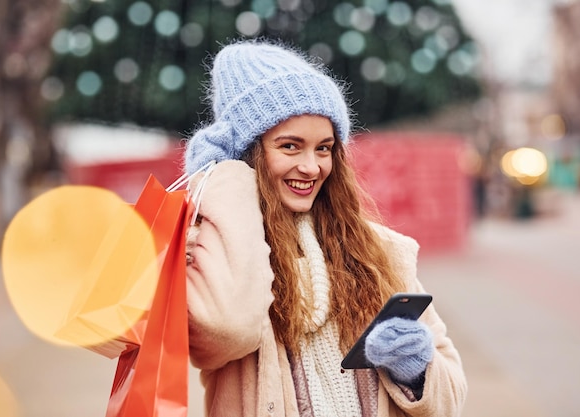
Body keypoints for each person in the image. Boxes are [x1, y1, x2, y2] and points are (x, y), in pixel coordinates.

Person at [183, 39, 466, 417]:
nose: (312, 167)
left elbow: (453, 396)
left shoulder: (377, 251)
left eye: (324, 148)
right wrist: (225, 179)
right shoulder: (212, 250)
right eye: (290, 146)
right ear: (249, 151)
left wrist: (416, 371)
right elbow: (225, 332)